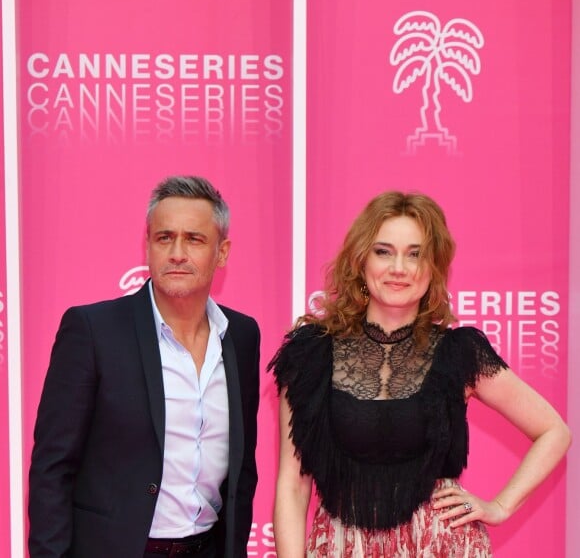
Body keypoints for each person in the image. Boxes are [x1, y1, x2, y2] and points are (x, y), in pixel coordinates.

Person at [268, 191, 571, 557]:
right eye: (384, 251)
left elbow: (554, 431)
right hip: (341, 547)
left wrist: (501, 505)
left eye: (416, 254)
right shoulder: (310, 353)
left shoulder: (460, 354)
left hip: (438, 545)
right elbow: (292, 485)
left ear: (434, 267)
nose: (399, 268)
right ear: (361, 261)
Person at [29, 176, 261, 558]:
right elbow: (52, 469)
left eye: (195, 239)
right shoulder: (93, 331)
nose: (177, 253)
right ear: (148, 245)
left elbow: (241, 469)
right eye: (164, 237)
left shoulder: (241, 335)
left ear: (222, 253)